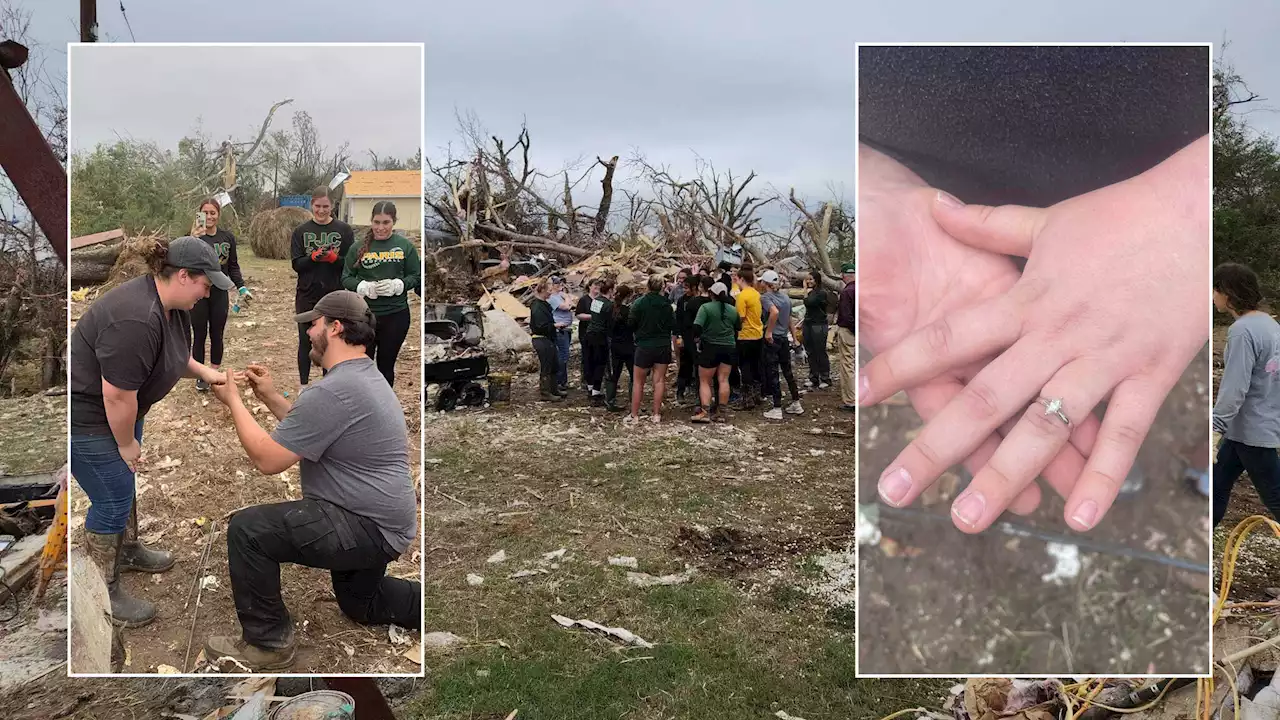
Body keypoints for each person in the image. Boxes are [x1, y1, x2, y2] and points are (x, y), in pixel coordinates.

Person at [204, 290, 421, 670]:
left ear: (335, 328)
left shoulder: (334, 390)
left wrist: (235, 401)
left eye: (314, 324)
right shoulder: (362, 375)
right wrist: (270, 397)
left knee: (248, 530)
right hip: (385, 524)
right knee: (362, 605)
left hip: (363, 523)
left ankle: (268, 644)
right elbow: (313, 428)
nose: (307, 332)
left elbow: (268, 459)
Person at [69, 237, 232, 626]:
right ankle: (100, 593)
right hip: (89, 420)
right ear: (181, 275)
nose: (208, 292)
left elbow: (175, 352)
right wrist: (125, 442)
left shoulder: (171, 306)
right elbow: (117, 395)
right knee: (112, 498)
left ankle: (124, 550)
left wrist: (207, 373)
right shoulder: (136, 318)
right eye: (205, 284)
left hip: (120, 412)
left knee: (123, 486)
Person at [1211, 262, 1280, 528]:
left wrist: (1215, 427)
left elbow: (1234, 387)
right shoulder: (1270, 326)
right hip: (1246, 430)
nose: (1212, 297)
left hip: (1253, 433)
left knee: (1275, 496)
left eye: (1215, 290)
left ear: (1227, 293)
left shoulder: (1241, 331)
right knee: (1215, 487)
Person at [342, 200, 420, 386]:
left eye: (386, 222)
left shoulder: (404, 247)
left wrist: (399, 285)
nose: (381, 227)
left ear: (394, 222)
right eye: (377, 222)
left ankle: (384, 406)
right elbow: (345, 277)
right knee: (363, 365)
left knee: (386, 366)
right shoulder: (358, 247)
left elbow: (415, 276)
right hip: (363, 317)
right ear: (371, 221)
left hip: (395, 316)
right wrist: (362, 287)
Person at [291, 186, 355, 388]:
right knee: (305, 340)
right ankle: (303, 386)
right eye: (317, 206)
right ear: (312, 204)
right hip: (307, 293)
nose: (321, 210)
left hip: (334, 293)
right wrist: (313, 257)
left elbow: (349, 263)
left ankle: (329, 384)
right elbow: (296, 264)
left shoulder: (344, 230)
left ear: (333, 206)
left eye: (325, 206)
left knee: (332, 340)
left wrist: (334, 258)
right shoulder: (301, 231)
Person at [191, 199, 251, 391]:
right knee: (199, 334)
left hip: (219, 292)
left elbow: (232, 266)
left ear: (218, 214)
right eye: (205, 213)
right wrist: (192, 238)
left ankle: (215, 373)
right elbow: (184, 264)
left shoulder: (227, 238)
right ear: (199, 214)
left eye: (213, 212)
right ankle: (201, 375)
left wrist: (241, 287)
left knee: (217, 334)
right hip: (198, 292)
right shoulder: (193, 237)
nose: (209, 217)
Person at [691, 281, 741, 424]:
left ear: (711, 293)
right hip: (728, 347)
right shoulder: (732, 309)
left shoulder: (705, 308)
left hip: (710, 346)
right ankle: (722, 413)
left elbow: (697, 326)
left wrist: (697, 338)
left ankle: (705, 412)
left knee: (705, 380)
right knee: (723, 380)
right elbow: (738, 326)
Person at [628, 275, 675, 424]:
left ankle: (634, 415)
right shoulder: (667, 304)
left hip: (644, 345)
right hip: (662, 345)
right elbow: (672, 325)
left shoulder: (639, 303)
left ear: (648, 286)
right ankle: (656, 414)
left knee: (638, 382)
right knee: (659, 380)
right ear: (662, 287)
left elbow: (631, 323)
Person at [760, 270, 804, 420]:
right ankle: (796, 402)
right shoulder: (785, 298)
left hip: (773, 339)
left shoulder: (766, 298)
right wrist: (795, 338)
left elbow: (774, 313)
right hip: (784, 338)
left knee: (773, 372)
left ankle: (777, 407)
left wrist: (768, 332)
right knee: (787, 371)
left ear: (765, 284)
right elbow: (789, 319)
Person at [733, 265, 764, 410]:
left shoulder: (742, 296)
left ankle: (746, 399)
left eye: (737, 279)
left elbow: (741, 317)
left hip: (745, 335)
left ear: (741, 279)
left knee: (744, 367)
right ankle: (757, 395)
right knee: (755, 365)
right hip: (758, 334)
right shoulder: (756, 294)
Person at [529, 280, 564, 402]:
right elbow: (540, 325)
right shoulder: (537, 306)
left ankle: (554, 389)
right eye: (549, 290)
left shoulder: (544, 304)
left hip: (548, 338)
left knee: (554, 364)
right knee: (547, 366)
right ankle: (545, 392)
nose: (551, 293)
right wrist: (554, 326)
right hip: (541, 338)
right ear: (542, 290)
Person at [673, 273, 703, 406]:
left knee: (698, 367)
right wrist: (678, 336)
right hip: (685, 337)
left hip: (697, 338)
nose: (684, 290)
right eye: (684, 288)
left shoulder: (700, 301)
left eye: (687, 287)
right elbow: (678, 320)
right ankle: (680, 391)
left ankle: (698, 393)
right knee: (684, 365)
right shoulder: (682, 301)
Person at [583, 279, 614, 405]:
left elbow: (594, 316)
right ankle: (596, 391)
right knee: (600, 363)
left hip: (590, 333)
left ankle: (590, 388)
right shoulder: (608, 305)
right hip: (600, 335)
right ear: (611, 290)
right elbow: (609, 322)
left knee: (590, 361)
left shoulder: (596, 300)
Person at [605, 284, 636, 412]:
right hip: (628, 345)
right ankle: (633, 400)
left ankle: (610, 400)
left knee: (614, 374)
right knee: (634, 375)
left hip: (615, 345)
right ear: (628, 296)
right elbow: (633, 326)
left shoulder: (610, 309)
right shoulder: (628, 311)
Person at [802, 269, 833, 389]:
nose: (808, 281)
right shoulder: (812, 292)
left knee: (820, 351)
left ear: (817, 280)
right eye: (807, 279)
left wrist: (804, 291)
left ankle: (825, 377)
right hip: (808, 323)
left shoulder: (821, 293)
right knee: (810, 351)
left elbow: (809, 303)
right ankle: (813, 377)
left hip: (818, 325)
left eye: (811, 279)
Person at [547, 276, 576, 393]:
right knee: (562, 355)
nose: (560, 286)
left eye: (560, 283)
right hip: (560, 329)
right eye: (557, 284)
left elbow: (572, 305)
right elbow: (566, 306)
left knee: (565, 355)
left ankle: (563, 381)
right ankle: (560, 382)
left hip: (566, 329)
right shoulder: (553, 298)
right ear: (552, 285)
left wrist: (566, 298)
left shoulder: (560, 296)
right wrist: (567, 297)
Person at [575, 280, 602, 389]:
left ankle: (596, 381)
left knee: (597, 357)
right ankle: (587, 381)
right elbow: (578, 315)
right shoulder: (584, 300)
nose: (597, 288)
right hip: (586, 332)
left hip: (598, 333)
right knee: (587, 357)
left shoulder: (600, 300)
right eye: (595, 285)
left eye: (599, 286)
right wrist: (592, 317)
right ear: (590, 286)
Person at [836, 261, 855, 410]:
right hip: (860, 331)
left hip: (848, 331)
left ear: (843, 276)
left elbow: (847, 317)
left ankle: (851, 400)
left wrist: (854, 331)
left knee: (847, 365)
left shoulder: (846, 292)